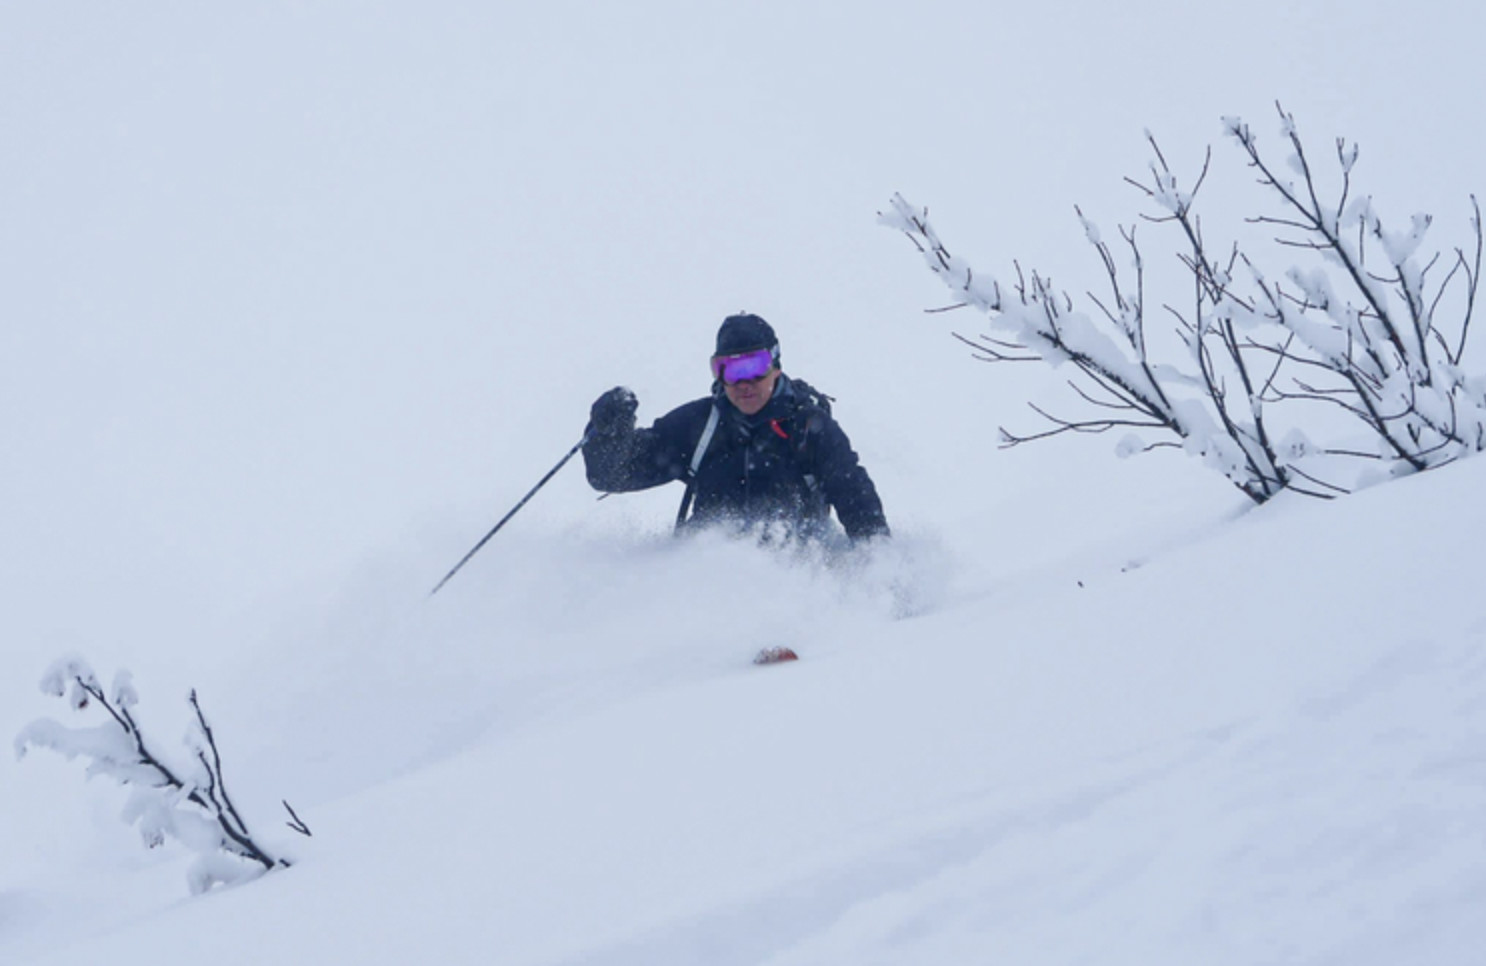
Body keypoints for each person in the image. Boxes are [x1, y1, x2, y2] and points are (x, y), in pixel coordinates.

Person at [583, 313, 889, 543]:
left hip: (801, 576)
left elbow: (857, 502)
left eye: (754, 367)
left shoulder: (809, 428)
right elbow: (611, 474)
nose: (744, 384)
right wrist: (608, 434)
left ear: (776, 365)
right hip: (708, 580)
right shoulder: (700, 425)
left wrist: (880, 575)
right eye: (728, 370)